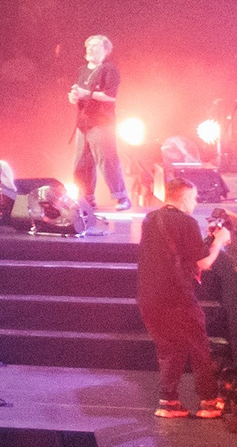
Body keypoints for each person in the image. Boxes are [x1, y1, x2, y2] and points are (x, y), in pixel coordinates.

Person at [137, 167, 227, 418]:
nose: (196, 203)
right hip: (177, 297)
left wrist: (206, 242)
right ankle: (209, 401)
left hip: (148, 296)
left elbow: (177, 252)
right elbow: (204, 263)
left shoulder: (150, 219)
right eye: (194, 198)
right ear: (185, 197)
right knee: (199, 347)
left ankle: (168, 403)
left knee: (170, 349)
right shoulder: (187, 222)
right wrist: (219, 241)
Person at [67, 34, 128, 211]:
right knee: (81, 164)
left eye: (95, 46)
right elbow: (81, 93)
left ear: (106, 50)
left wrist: (86, 94)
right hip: (83, 123)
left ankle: (121, 196)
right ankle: (86, 198)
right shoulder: (82, 70)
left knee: (107, 161)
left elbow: (110, 96)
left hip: (101, 123)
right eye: (88, 45)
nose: (90, 49)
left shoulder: (109, 70)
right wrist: (74, 97)